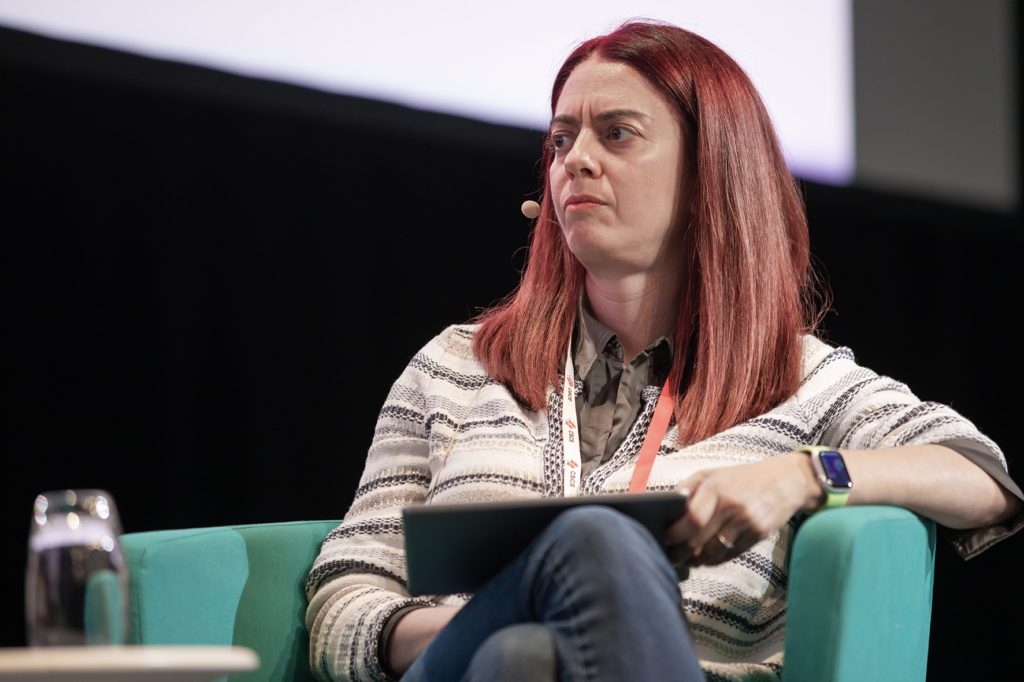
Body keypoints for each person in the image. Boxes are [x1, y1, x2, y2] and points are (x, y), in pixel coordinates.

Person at [305, 21, 1023, 681]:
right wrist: (492, 612)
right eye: (561, 141)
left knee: (523, 657)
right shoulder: (457, 368)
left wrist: (803, 476)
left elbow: (980, 477)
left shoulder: (798, 381)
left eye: (617, 134)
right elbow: (344, 600)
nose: (576, 161)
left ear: (710, 174)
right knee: (568, 570)